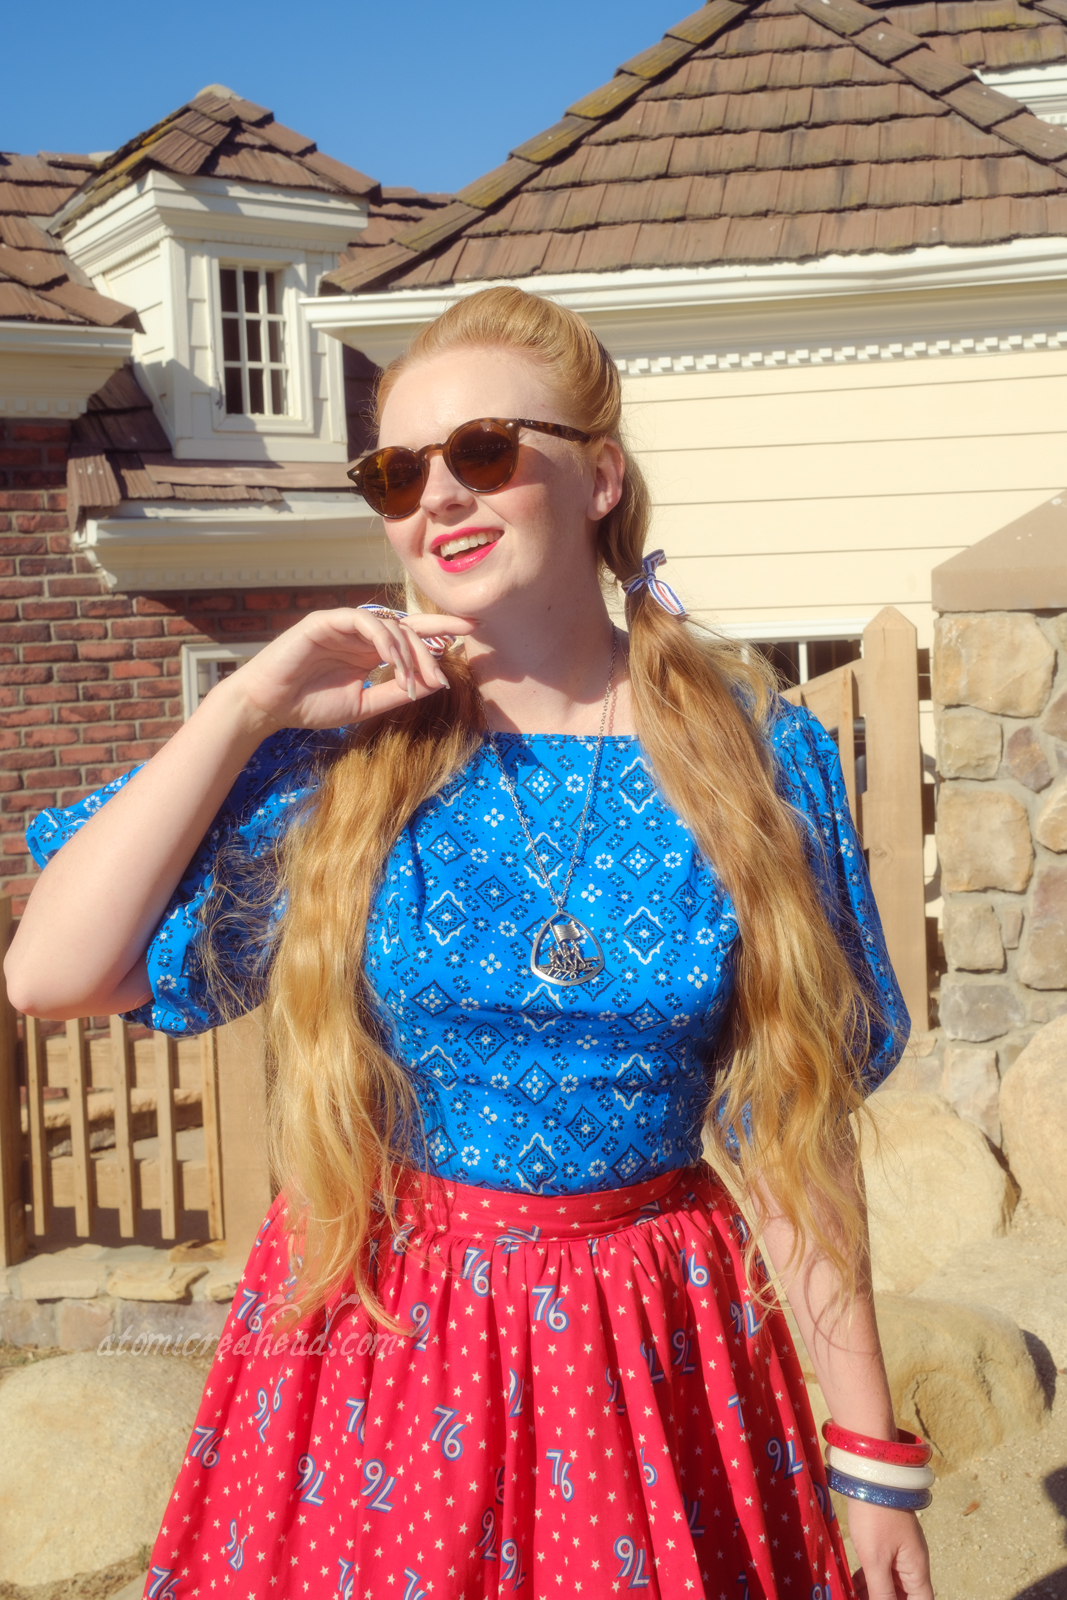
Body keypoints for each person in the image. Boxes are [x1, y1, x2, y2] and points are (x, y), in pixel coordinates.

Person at [7, 287, 935, 1600]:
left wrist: (868, 1450)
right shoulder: (338, 759)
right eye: (398, 473)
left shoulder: (756, 760)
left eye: (485, 452)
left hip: (656, 1364)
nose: (438, 495)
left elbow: (794, 1139)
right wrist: (250, 707)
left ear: (601, 475)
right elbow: (51, 975)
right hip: (384, 1363)